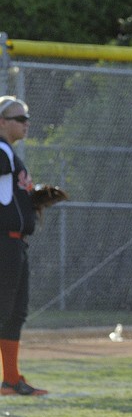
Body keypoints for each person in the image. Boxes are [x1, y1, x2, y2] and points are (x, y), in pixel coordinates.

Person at [0, 96, 49, 397]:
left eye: (26, 117)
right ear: (2, 122)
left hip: (15, 244)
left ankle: (11, 379)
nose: (26, 122)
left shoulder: (9, 154)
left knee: (14, 312)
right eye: (19, 118)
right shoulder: (2, 152)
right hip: (3, 243)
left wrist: (33, 199)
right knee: (4, 310)